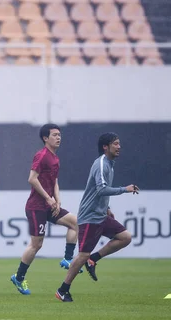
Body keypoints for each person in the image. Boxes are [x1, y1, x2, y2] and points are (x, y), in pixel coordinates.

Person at [56, 133, 138, 302]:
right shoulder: (101, 163)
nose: (119, 146)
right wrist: (125, 189)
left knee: (125, 237)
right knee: (82, 255)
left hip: (100, 214)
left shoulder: (109, 164)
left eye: (119, 143)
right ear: (105, 147)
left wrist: (106, 208)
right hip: (90, 217)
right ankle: (62, 290)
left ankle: (94, 258)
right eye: (115, 144)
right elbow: (101, 189)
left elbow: (98, 190)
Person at [11, 123, 80, 295]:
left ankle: (68, 259)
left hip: (49, 205)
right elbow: (32, 179)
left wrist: (57, 199)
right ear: (45, 138)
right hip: (36, 207)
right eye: (55, 135)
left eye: (59, 135)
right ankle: (18, 278)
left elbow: (54, 181)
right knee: (37, 244)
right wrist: (49, 199)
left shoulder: (55, 158)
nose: (58, 137)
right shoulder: (41, 156)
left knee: (76, 223)